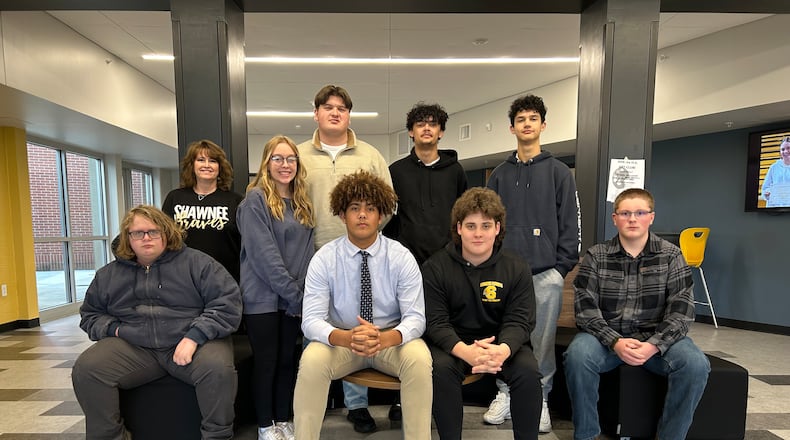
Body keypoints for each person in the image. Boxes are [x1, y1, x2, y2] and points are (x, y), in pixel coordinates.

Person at [72, 205, 242, 440]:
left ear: (166, 232)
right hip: (135, 345)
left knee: (217, 369)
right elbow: (91, 314)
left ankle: (217, 437)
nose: (146, 238)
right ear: (127, 238)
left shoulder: (200, 264)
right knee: (88, 368)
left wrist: (194, 337)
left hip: (190, 341)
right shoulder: (108, 275)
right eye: (137, 233)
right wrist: (115, 329)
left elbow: (227, 305)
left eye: (153, 231)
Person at [293, 171, 433, 440]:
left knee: (419, 359)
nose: (362, 215)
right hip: (343, 340)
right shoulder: (324, 259)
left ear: (381, 216)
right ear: (342, 214)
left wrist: (386, 337)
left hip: (391, 340)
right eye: (354, 208)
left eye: (370, 209)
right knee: (311, 359)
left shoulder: (401, 257)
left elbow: (415, 318)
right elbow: (310, 320)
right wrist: (345, 337)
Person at [563, 188, 711, 440]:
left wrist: (654, 345)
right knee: (577, 356)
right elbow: (585, 310)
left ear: (651, 217)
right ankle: (586, 434)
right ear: (615, 218)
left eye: (639, 212)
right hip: (606, 340)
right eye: (625, 213)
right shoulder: (596, 256)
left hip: (657, 339)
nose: (632, 219)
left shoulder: (671, 255)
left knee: (696, 364)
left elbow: (682, 311)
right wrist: (615, 342)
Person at [297, 84, 394, 432]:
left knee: (358, 323)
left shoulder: (369, 155)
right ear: (317, 113)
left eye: (342, 107)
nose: (335, 112)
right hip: (313, 256)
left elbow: (389, 203)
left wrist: (368, 237)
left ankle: (357, 405)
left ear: (349, 114)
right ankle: (315, 404)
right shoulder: (299, 155)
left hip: (362, 257)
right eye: (328, 107)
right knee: (317, 332)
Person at [485, 94, 580, 432]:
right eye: (520, 119)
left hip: (546, 275)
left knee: (541, 341)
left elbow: (570, 224)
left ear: (543, 125)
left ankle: (538, 399)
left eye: (533, 118)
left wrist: (560, 269)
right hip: (504, 275)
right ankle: (506, 393)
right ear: (512, 128)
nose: (527, 124)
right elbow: (487, 223)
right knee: (504, 337)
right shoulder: (498, 174)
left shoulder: (559, 173)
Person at [423, 187, 542, 440]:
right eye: (471, 226)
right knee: (440, 369)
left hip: (500, 343)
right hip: (453, 345)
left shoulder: (517, 267)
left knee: (528, 371)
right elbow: (435, 322)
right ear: (458, 228)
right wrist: (465, 351)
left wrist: (504, 349)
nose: (478, 233)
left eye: (486, 226)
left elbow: (520, 320)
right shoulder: (435, 268)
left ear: (497, 228)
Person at [238, 136, 315, 440]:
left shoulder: (302, 202)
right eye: (278, 158)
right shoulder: (254, 201)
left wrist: (300, 293)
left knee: (287, 361)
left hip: (293, 299)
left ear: (298, 164)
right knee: (267, 362)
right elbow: (263, 256)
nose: (285, 165)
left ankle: (284, 419)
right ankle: (265, 425)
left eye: (291, 159)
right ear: (266, 164)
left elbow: (309, 252)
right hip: (263, 298)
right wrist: (295, 294)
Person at [383, 102, 468, 266]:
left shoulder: (455, 171)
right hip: (405, 259)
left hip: (448, 259)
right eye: (420, 124)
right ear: (411, 132)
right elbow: (387, 215)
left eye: (433, 124)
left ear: (441, 132)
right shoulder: (395, 171)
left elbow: (463, 214)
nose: (427, 128)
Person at [163, 139, 244, 282]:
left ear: (220, 167)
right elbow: (164, 238)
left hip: (224, 279)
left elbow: (244, 244)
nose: (207, 165)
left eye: (212, 161)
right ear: (192, 165)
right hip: (182, 278)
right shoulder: (175, 197)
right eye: (201, 160)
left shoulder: (235, 201)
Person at [761, 135, 790, 207]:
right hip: (775, 209)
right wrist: (767, 193)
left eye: (789, 148)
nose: (786, 151)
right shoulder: (773, 167)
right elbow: (765, 188)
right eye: (783, 149)